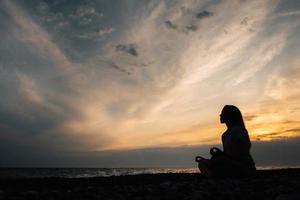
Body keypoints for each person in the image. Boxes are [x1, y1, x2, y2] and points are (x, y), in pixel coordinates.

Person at [195, 105, 256, 178]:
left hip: (242, 165)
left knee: (215, 162)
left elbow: (241, 151)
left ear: (230, 116)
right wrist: (219, 154)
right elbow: (228, 153)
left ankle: (215, 176)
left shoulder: (238, 130)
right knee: (203, 163)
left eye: (223, 113)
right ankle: (217, 175)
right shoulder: (225, 135)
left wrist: (223, 157)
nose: (220, 115)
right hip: (229, 163)